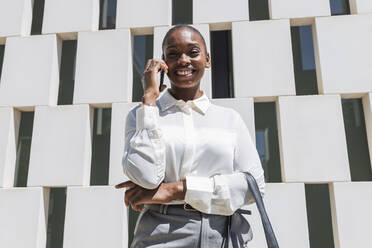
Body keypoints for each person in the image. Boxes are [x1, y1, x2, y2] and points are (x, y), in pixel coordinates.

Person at [115, 24, 265, 248]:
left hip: (222, 233)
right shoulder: (143, 115)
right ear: (163, 64)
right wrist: (149, 99)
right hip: (161, 233)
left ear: (207, 59)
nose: (183, 60)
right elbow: (145, 177)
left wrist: (174, 190)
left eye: (193, 52)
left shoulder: (229, 119)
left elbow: (254, 186)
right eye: (173, 54)